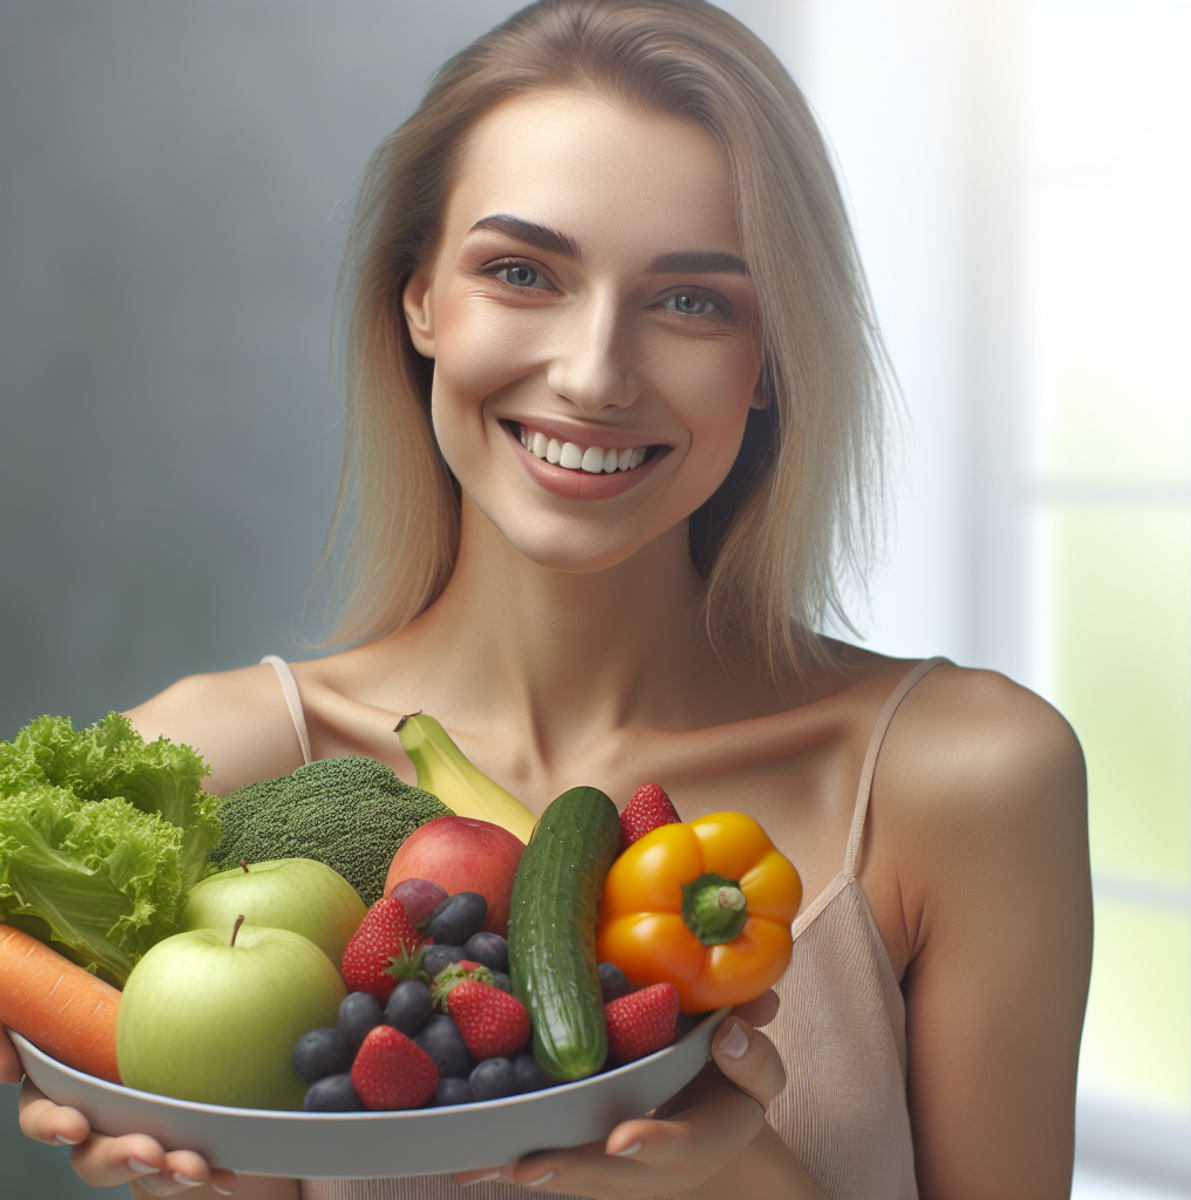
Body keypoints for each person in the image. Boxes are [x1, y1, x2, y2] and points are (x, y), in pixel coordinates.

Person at [2, 1, 1092, 1197]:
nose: (592, 373)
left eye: (691, 300)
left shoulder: (964, 780)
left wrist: (736, 1177)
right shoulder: (216, 762)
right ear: (420, 297)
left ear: (769, 357)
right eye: (523, 272)